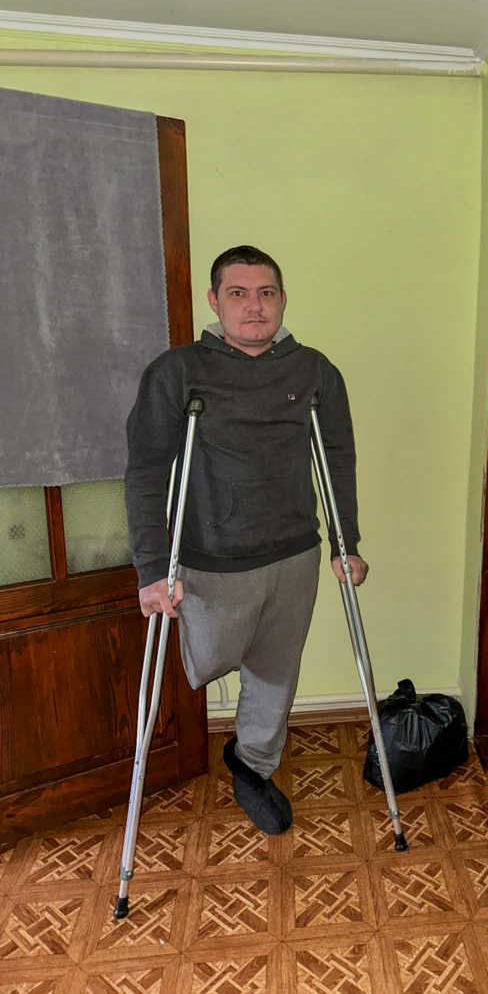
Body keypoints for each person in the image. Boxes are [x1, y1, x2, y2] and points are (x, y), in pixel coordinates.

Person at [125, 245, 368, 835]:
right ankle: (226, 743)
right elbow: (147, 469)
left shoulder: (312, 371)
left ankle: (253, 762)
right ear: (214, 301)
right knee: (212, 659)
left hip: (294, 552)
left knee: (275, 668)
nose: (254, 307)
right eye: (238, 293)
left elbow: (337, 457)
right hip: (212, 558)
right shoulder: (178, 370)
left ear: (282, 299)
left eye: (266, 293)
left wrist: (345, 542)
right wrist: (152, 567)